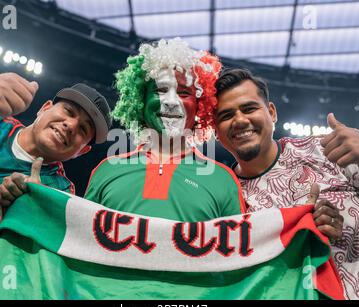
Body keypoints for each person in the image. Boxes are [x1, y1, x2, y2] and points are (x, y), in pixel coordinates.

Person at [213, 68, 359, 300]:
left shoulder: (326, 150)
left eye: (249, 108)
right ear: (215, 131)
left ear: (272, 113)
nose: (240, 120)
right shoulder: (225, 195)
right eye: (226, 116)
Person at [0, 72, 111, 298]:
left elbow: (10, 263)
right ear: (45, 107)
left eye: (84, 130)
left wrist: (22, 214)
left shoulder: (59, 192)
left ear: (82, 151)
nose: (71, 125)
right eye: (69, 111)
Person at [84, 38, 246, 221]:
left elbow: (238, 247)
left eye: (184, 93)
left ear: (201, 105)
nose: (171, 101)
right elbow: (78, 242)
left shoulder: (222, 180)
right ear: (140, 101)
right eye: (160, 90)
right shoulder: (106, 171)